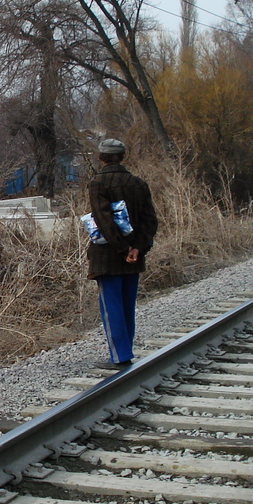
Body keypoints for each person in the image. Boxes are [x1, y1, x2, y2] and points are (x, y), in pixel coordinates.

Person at [86, 137, 159, 368]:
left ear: (101, 158)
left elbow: (103, 221)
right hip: (134, 257)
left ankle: (119, 356)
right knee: (128, 304)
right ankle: (125, 351)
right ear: (123, 157)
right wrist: (137, 248)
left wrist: (122, 248)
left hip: (108, 257)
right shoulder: (139, 184)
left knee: (112, 306)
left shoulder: (97, 183)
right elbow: (150, 221)